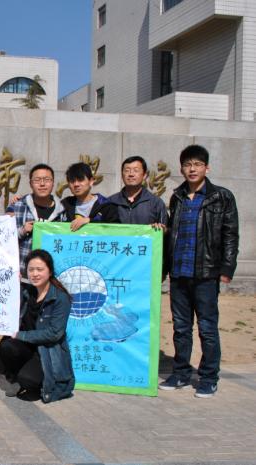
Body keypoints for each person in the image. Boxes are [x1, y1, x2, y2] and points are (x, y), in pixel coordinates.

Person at [160, 145, 239, 398]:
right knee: (181, 328)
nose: (192, 169)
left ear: (207, 167)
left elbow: (230, 234)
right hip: (179, 273)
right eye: (187, 164)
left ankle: (208, 377)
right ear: (181, 168)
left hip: (206, 273)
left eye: (197, 164)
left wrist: (227, 268)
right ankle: (181, 373)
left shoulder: (221, 197)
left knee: (207, 328)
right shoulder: (178, 197)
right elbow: (172, 234)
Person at [0, 249, 75, 403]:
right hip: (27, 346)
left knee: (28, 379)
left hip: (46, 351)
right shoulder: (27, 291)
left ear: (50, 271)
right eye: (31, 270)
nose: (35, 274)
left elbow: (54, 333)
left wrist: (22, 335)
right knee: (7, 347)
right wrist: (12, 283)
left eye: (39, 269)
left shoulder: (60, 298)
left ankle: (35, 384)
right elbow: (5, 302)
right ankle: (15, 378)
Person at [6, 163, 65, 277]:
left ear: (53, 183)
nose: (42, 184)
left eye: (47, 179)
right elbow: (3, 238)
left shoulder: (62, 211)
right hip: (22, 277)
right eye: (37, 180)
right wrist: (22, 231)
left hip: (52, 277)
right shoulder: (16, 206)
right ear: (31, 184)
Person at [108, 156, 168, 228]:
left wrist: (161, 228)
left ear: (144, 175)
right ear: (122, 175)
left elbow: (166, 229)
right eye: (127, 170)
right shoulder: (110, 202)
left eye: (136, 170)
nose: (131, 174)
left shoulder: (156, 203)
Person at [60, 162, 119, 230]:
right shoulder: (64, 205)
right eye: (72, 181)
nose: (76, 184)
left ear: (91, 181)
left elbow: (115, 230)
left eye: (80, 179)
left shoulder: (107, 206)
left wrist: (90, 221)